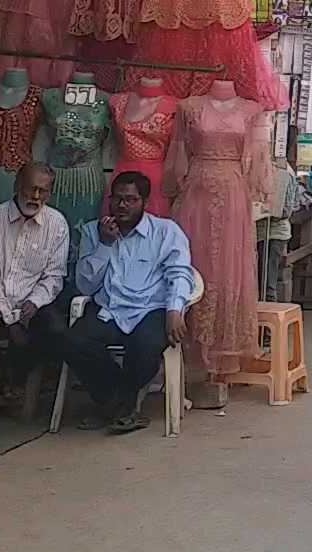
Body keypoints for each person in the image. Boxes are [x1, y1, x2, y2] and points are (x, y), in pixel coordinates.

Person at [60, 172, 194, 433]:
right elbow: (85, 285)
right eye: (118, 199)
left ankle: (111, 405)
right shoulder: (92, 231)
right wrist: (104, 245)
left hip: (150, 309)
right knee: (72, 341)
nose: (122, 206)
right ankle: (122, 405)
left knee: (144, 347)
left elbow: (180, 272)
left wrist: (175, 309)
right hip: (109, 310)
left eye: (130, 200)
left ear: (144, 201)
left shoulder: (166, 232)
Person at [0, 163, 68, 409]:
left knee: (56, 332)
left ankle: (19, 381)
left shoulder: (57, 224)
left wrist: (34, 302)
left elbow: (54, 276)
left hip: (33, 301)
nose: (35, 197)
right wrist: (10, 320)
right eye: (31, 189)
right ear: (17, 186)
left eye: (43, 191)